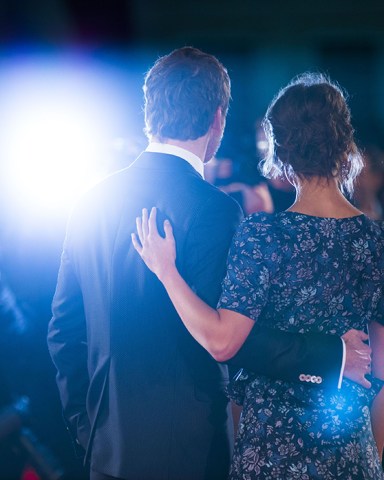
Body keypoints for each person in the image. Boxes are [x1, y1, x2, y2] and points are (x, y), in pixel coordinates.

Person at [47, 48, 370, 480]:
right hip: (192, 453)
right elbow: (232, 334)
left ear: (149, 114)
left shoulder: (89, 202)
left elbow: (63, 335)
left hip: (108, 455)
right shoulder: (214, 208)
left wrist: (91, 437)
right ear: (217, 120)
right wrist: (333, 355)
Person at [132, 72, 384, 479]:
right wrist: (370, 460)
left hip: (270, 454)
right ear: (344, 144)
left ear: (281, 153)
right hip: (351, 453)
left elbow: (221, 338)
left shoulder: (264, 234)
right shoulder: (376, 241)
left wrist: (166, 271)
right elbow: (381, 373)